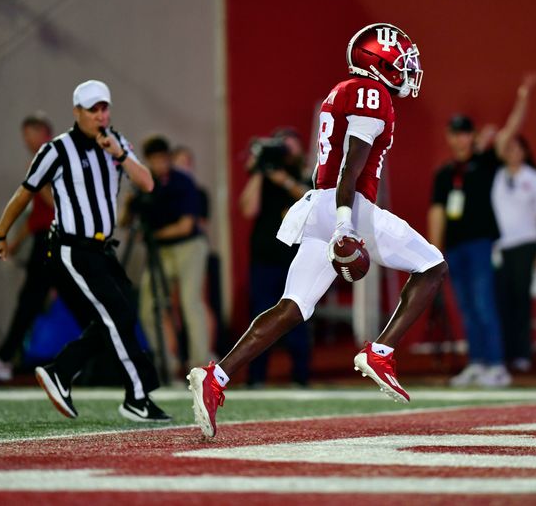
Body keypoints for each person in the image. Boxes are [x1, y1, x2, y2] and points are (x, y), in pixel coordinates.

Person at [187, 23, 448, 438]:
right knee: (432, 265)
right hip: (347, 205)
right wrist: (346, 224)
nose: (407, 70)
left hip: (320, 205)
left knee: (293, 307)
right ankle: (380, 352)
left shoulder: (342, 90)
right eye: (400, 62)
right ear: (379, 62)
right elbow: (350, 167)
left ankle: (216, 376)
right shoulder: (371, 92)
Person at [0, 79, 170, 421]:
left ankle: (61, 370)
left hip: (103, 250)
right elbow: (26, 191)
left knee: (121, 315)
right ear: (77, 112)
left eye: (104, 108)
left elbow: (147, 182)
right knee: (116, 314)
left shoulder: (115, 143)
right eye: (93, 110)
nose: (101, 116)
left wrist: (119, 153)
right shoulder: (57, 150)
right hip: (72, 248)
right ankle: (137, 396)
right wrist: (0, 233)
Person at [428, 74, 536, 388]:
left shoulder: (486, 162)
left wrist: (522, 98)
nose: (459, 139)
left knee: (483, 303)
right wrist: (434, 252)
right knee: (465, 306)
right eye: (455, 134)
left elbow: (509, 132)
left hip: (479, 243)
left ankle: (496, 365)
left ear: (472, 137)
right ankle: (476, 363)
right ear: (449, 138)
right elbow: (436, 211)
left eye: (465, 134)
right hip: (455, 247)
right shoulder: (445, 173)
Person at [0, 113, 56, 381]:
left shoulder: (51, 158)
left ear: (43, 132)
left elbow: (56, 204)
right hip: (47, 237)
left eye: (29, 134)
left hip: (55, 239)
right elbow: (34, 215)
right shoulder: (43, 161)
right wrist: (14, 243)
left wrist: (37, 177)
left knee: (32, 299)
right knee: (35, 300)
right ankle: (7, 356)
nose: (26, 140)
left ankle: (5, 357)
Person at [135, 135, 213, 379]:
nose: (159, 165)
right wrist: (130, 206)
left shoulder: (183, 182)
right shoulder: (145, 183)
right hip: (161, 250)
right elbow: (129, 222)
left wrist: (154, 234)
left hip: (188, 246)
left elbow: (186, 226)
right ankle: (165, 365)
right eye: (153, 161)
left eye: (162, 159)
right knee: (148, 308)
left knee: (191, 303)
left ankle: (201, 366)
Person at [239, 127, 312, 388]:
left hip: (295, 258)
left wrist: (284, 180)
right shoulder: (265, 176)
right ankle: (256, 377)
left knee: (297, 316)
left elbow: (310, 198)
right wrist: (260, 170)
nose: (287, 151)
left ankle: (300, 377)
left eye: (291, 146)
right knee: (261, 314)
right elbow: (248, 208)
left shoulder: (304, 174)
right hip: (265, 257)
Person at [492, 134, 536, 373]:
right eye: (509, 149)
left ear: (525, 152)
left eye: (517, 149)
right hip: (501, 247)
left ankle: (522, 353)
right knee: (502, 301)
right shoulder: (497, 176)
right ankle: (505, 353)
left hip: (526, 245)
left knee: (521, 301)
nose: (513, 153)